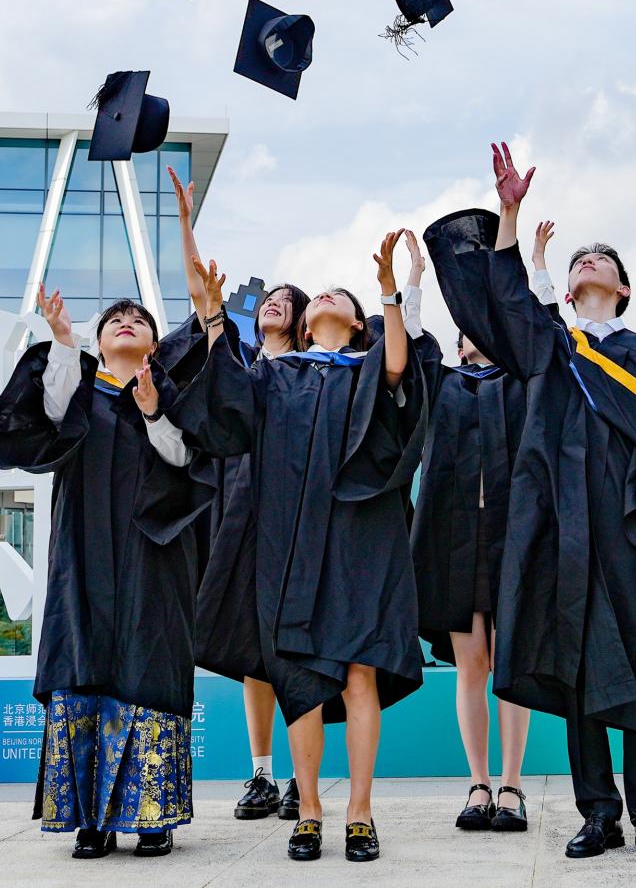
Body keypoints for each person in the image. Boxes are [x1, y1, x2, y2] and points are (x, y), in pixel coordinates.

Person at [425, 144, 636, 861]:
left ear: (624, 288)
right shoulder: (552, 349)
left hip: (632, 527)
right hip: (566, 533)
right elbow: (509, 300)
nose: (587, 261)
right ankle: (598, 812)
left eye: (602, 259)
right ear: (566, 292)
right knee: (579, 670)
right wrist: (508, 213)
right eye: (578, 261)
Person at [175, 234, 426, 864]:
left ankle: (360, 811)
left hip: (360, 540)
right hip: (286, 540)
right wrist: (213, 316)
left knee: (360, 671)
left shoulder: (367, 369)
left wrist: (389, 292)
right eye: (321, 295)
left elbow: (399, 366)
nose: (328, 297)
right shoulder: (272, 375)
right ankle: (309, 808)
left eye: (342, 295)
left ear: (357, 322)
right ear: (306, 323)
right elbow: (226, 401)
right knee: (299, 676)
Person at [0, 289, 210, 860]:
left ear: (154, 343)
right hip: (83, 553)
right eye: (115, 320)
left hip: (153, 554)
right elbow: (51, 414)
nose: (127, 323)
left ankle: (151, 813)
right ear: (99, 340)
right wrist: (62, 341)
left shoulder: (172, 395)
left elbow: (187, 461)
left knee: (148, 660)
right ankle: (92, 819)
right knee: (84, 660)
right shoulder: (80, 389)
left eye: (138, 319)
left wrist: (153, 410)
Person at [161, 166, 307, 823]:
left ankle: (303, 778)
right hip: (240, 511)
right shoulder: (238, 361)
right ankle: (262, 774)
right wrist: (185, 221)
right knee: (252, 650)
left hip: (294, 517)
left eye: (285, 300)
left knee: (295, 648)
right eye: (267, 298)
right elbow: (202, 293)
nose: (272, 302)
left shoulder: (313, 373)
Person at [411, 227, 534, 835]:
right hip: (456, 540)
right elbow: (411, 343)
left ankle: (512, 784)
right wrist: (413, 279)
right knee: (471, 665)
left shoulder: (522, 379)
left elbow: (539, 331)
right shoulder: (444, 383)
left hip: (513, 538)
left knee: (509, 661)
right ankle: (478, 782)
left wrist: (531, 265)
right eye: (466, 329)